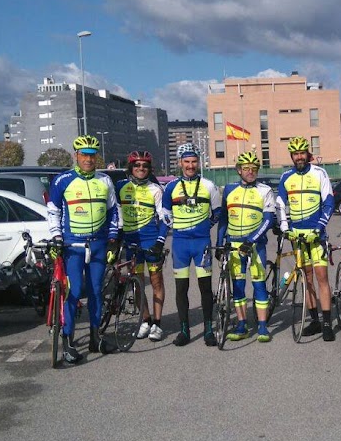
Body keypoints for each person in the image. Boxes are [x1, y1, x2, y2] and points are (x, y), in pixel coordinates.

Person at [46, 134, 121, 363]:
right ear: (75, 155)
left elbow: (113, 211)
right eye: (84, 155)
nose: (88, 159)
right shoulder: (63, 180)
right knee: (74, 291)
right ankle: (67, 339)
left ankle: (95, 337)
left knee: (96, 291)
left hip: (98, 244)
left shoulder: (105, 180)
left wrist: (113, 238)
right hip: (73, 244)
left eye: (92, 155)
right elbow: (53, 212)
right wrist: (56, 237)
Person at [161, 142, 222, 346]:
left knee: (205, 288)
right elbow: (165, 214)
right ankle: (184, 330)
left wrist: (203, 226)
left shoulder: (208, 185)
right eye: (186, 161)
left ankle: (208, 329)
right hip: (180, 244)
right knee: (181, 289)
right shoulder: (171, 187)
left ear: (198, 162)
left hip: (201, 243)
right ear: (180, 163)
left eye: (194, 161)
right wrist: (178, 227)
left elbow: (217, 213)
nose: (190, 165)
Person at [277, 136, 336, 341]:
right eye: (296, 154)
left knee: (322, 277)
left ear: (307, 154)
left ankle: (327, 323)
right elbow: (280, 204)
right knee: (307, 279)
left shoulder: (319, 173)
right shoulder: (286, 177)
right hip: (297, 236)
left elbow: (329, 202)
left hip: (316, 235)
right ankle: (314, 321)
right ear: (292, 156)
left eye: (302, 153)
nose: (299, 157)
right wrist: (285, 226)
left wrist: (320, 228)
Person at [217, 151, 278, 343]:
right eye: (246, 168)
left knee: (259, 285)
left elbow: (268, 220)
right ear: (238, 170)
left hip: (255, 245)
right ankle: (242, 325)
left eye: (254, 169)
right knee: (238, 286)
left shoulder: (265, 190)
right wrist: (220, 243)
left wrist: (251, 241)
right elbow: (223, 220)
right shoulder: (228, 189)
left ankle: (262, 326)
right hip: (234, 243)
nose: (250, 172)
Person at [115, 150, 171, 341]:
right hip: (131, 243)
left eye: (145, 166)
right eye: (137, 165)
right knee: (137, 285)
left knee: (156, 282)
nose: (141, 168)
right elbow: (114, 213)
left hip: (151, 242)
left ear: (149, 169)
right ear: (131, 167)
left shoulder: (156, 189)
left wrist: (160, 241)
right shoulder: (120, 186)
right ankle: (145, 320)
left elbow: (165, 218)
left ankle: (157, 323)